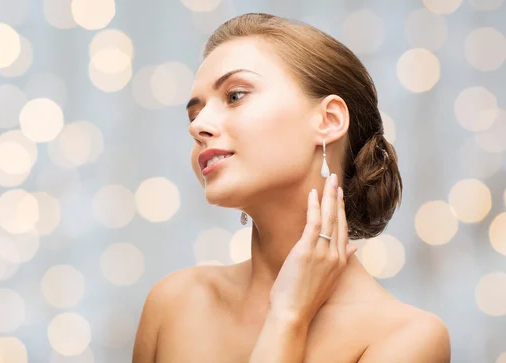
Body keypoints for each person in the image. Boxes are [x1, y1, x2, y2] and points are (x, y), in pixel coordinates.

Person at [132, 13, 451, 363]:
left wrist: (288, 317)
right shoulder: (174, 304)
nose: (199, 127)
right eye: (194, 115)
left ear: (328, 120)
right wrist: (287, 316)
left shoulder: (408, 338)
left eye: (235, 95)